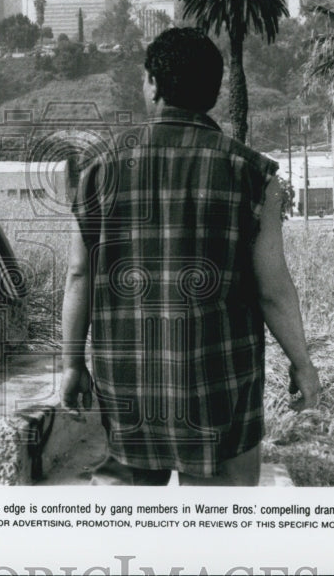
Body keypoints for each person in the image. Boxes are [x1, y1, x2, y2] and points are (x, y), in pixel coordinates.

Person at [61, 28, 320, 486]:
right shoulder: (252, 173)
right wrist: (302, 364)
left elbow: (79, 275)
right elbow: (273, 288)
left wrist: (71, 363)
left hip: (130, 388)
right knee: (220, 536)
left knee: (137, 542)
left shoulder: (99, 167)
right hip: (220, 388)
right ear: (215, 92)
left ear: (155, 84)